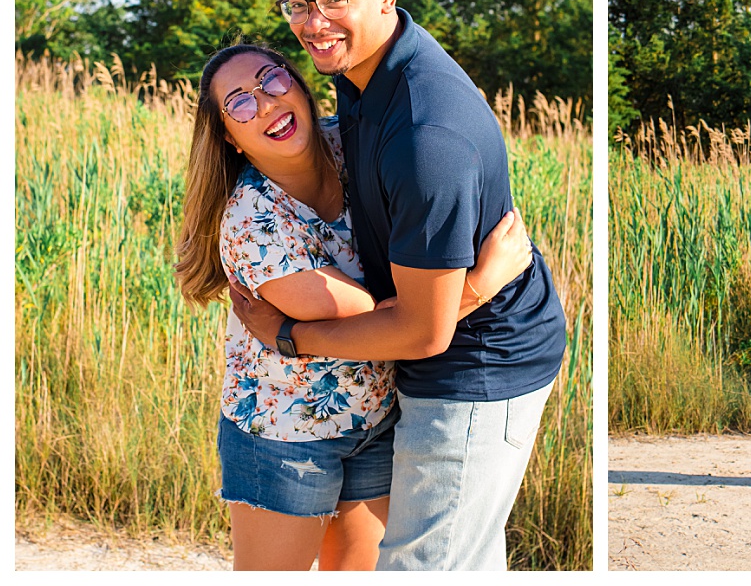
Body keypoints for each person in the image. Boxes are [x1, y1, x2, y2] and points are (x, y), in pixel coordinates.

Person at [229, 0, 567, 570]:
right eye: (298, 4)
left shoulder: (423, 133)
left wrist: (290, 337)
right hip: (440, 349)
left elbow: (424, 331)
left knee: (422, 568)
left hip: (477, 367)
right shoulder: (361, 71)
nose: (313, 21)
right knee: (459, 558)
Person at [175, 44, 532, 570]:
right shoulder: (254, 224)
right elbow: (392, 314)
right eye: (241, 104)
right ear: (229, 135)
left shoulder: (352, 146)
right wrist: (480, 283)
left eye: (271, 81)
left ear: (297, 84)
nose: (266, 104)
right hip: (286, 436)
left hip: (375, 420)